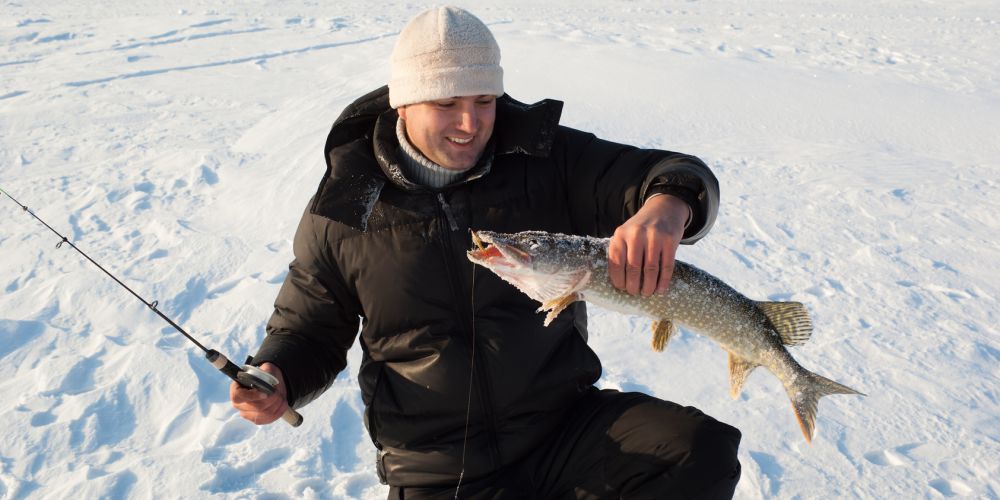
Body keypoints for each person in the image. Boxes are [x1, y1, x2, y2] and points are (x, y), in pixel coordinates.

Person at [231, 6, 741, 499]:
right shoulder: (343, 209)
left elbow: (674, 170)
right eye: (446, 103)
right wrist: (278, 373)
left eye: (484, 100)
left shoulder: (542, 158)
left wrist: (668, 206)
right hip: (439, 465)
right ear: (403, 102)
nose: (470, 124)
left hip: (563, 427)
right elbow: (308, 327)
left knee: (699, 453)